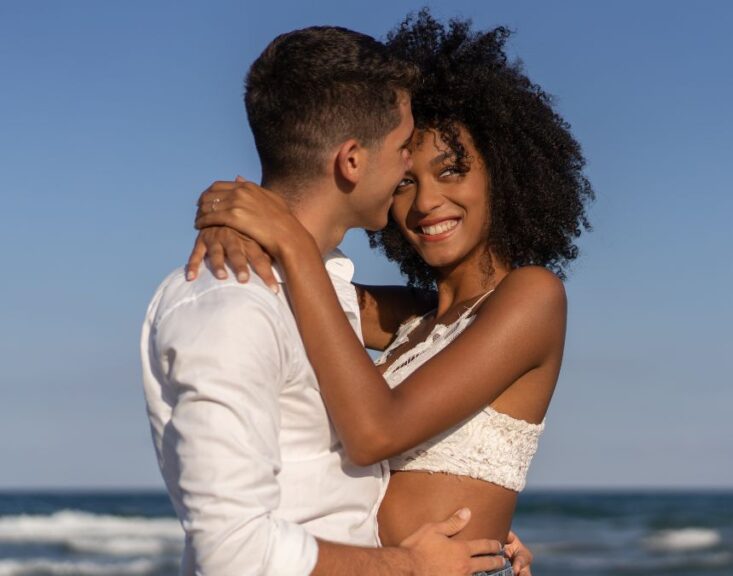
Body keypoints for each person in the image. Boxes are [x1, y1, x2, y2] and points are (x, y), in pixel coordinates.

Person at [186, 11, 592, 575]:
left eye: (451, 172)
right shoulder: (415, 318)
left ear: (504, 172)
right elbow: (309, 294)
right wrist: (230, 217)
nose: (425, 202)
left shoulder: (532, 297)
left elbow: (377, 433)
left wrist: (287, 238)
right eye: (405, 180)